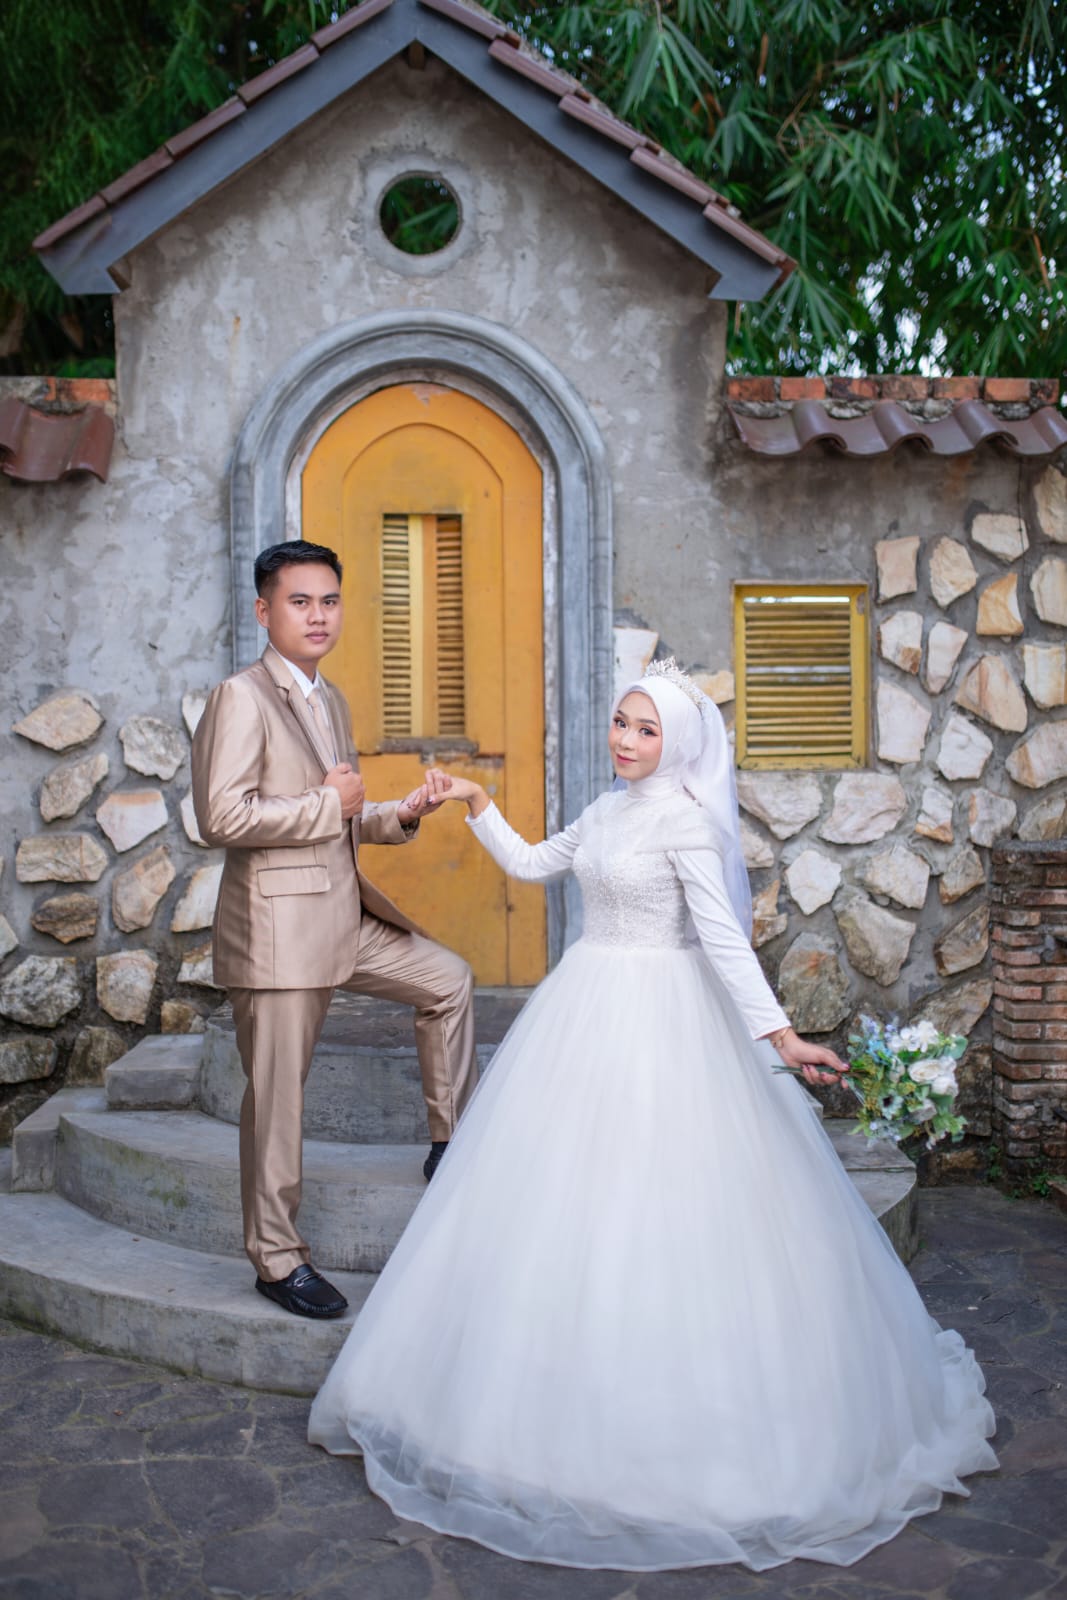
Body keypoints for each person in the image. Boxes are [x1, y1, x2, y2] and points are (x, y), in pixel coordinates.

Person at [308, 660, 997, 1569]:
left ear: (678, 744)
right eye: (620, 723)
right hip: (583, 1008)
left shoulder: (686, 823)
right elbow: (532, 864)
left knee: (662, 1213)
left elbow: (721, 940)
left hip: (666, 1021)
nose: (625, 740)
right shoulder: (606, 811)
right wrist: (475, 802)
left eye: (644, 729)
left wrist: (780, 1036)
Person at [191, 539, 477, 1321]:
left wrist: (397, 815)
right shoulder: (240, 697)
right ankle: (277, 1258)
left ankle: (449, 1145)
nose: (317, 616)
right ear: (264, 611)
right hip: (279, 936)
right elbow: (221, 817)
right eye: (299, 601)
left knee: (448, 981)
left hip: (345, 917)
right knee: (277, 1103)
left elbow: (340, 818)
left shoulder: (331, 698)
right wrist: (330, 803)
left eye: (328, 601)